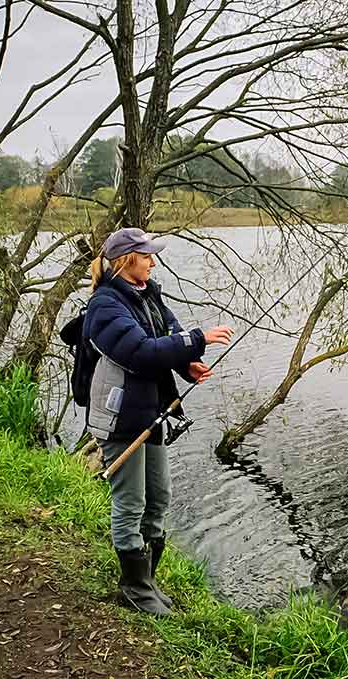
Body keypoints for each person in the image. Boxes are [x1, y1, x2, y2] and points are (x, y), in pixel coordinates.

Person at [82, 227, 234, 616]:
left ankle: (148, 580)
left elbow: (169, 336)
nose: (153, 260)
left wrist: (187, 364)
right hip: (120, 417)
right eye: (146, 255)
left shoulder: (148, 296)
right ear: (125, 260)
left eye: (152, 255)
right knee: (130, 502)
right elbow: (141, 353)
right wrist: (199, 339)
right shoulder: (105, 306)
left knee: (159, 497)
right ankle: (133, 587)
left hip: (151, 411)